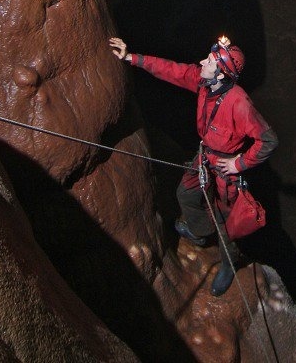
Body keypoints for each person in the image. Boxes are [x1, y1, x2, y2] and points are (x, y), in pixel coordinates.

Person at [109, 35, 278, 296]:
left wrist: (238, 164)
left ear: (221, 74)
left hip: (224, 167)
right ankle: (200, 231)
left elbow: (267, 140)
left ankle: (228, 264)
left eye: (209, 60)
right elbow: (171, 70)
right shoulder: (204, 82)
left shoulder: (239, 103)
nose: (202, 61)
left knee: (226, 221)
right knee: (185, 193)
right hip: (206, 156)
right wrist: (131, 57)